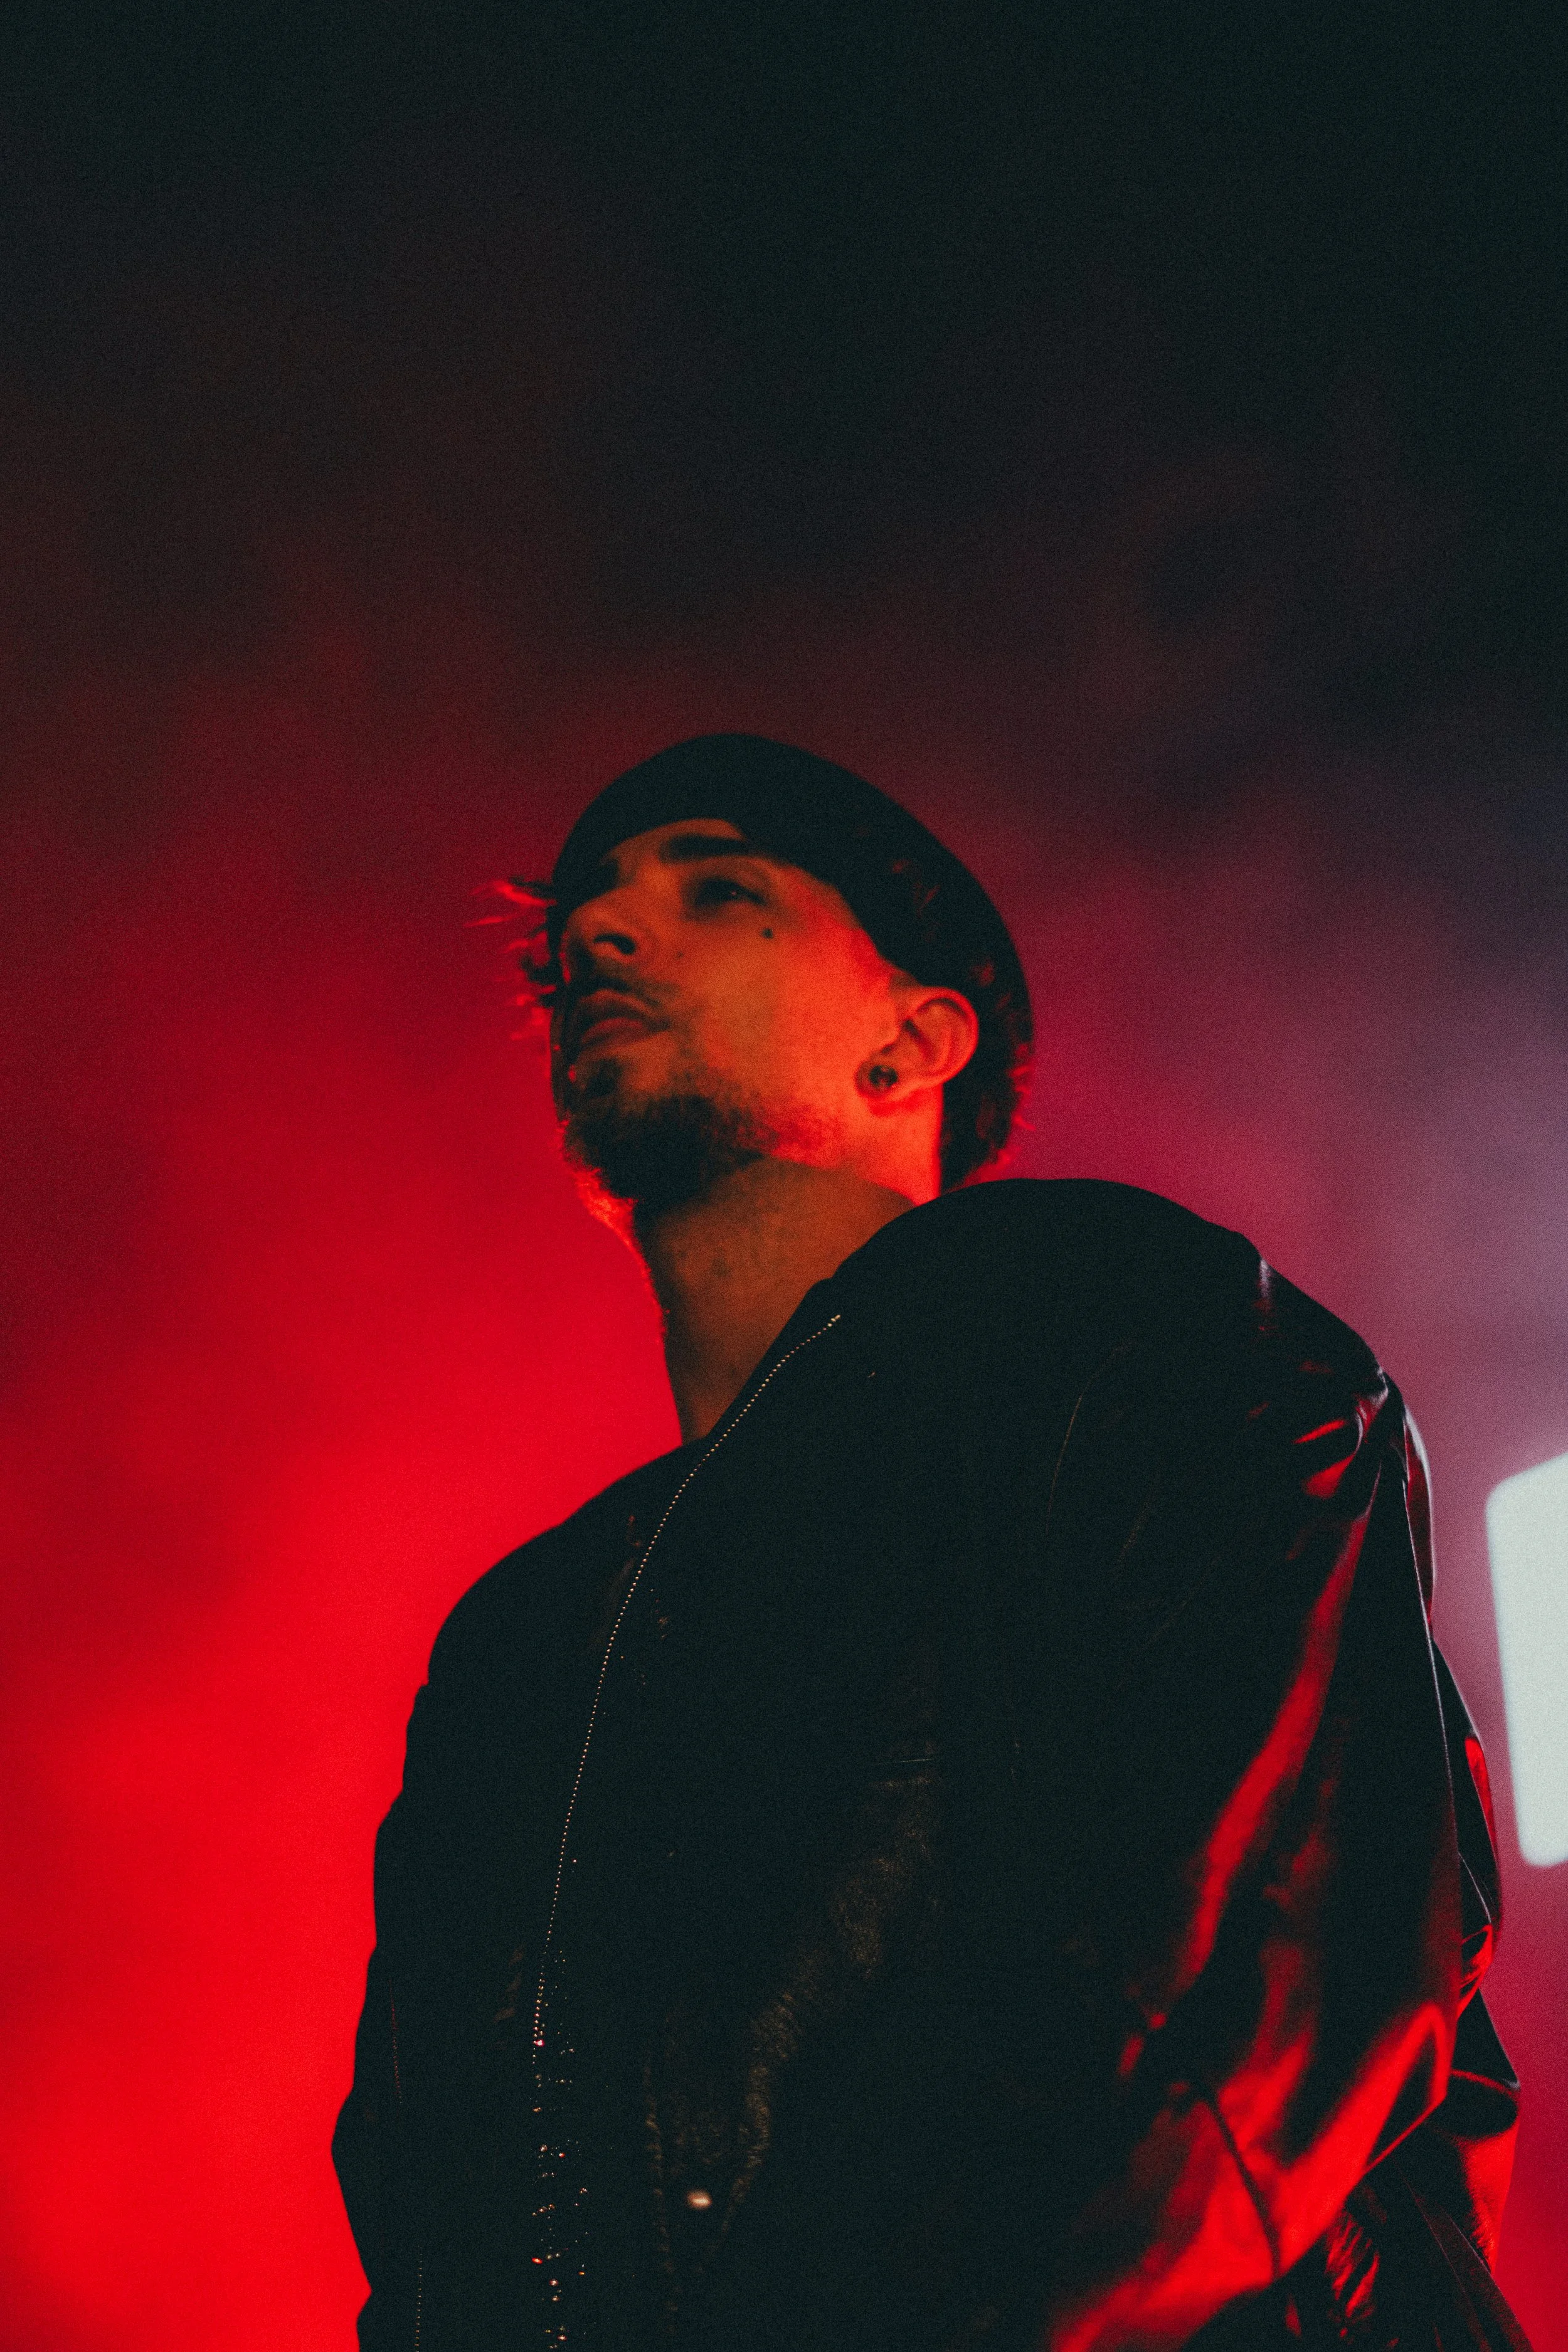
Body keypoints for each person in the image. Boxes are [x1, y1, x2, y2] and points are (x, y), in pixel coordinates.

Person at [334, 734, 1529, 2351]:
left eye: (719, 888)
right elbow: (434, 2218)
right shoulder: (520, 1641)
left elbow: (1208, 1999)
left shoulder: (1120, 1325)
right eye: (586, 924)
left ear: (914, 1041)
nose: (601, 937)